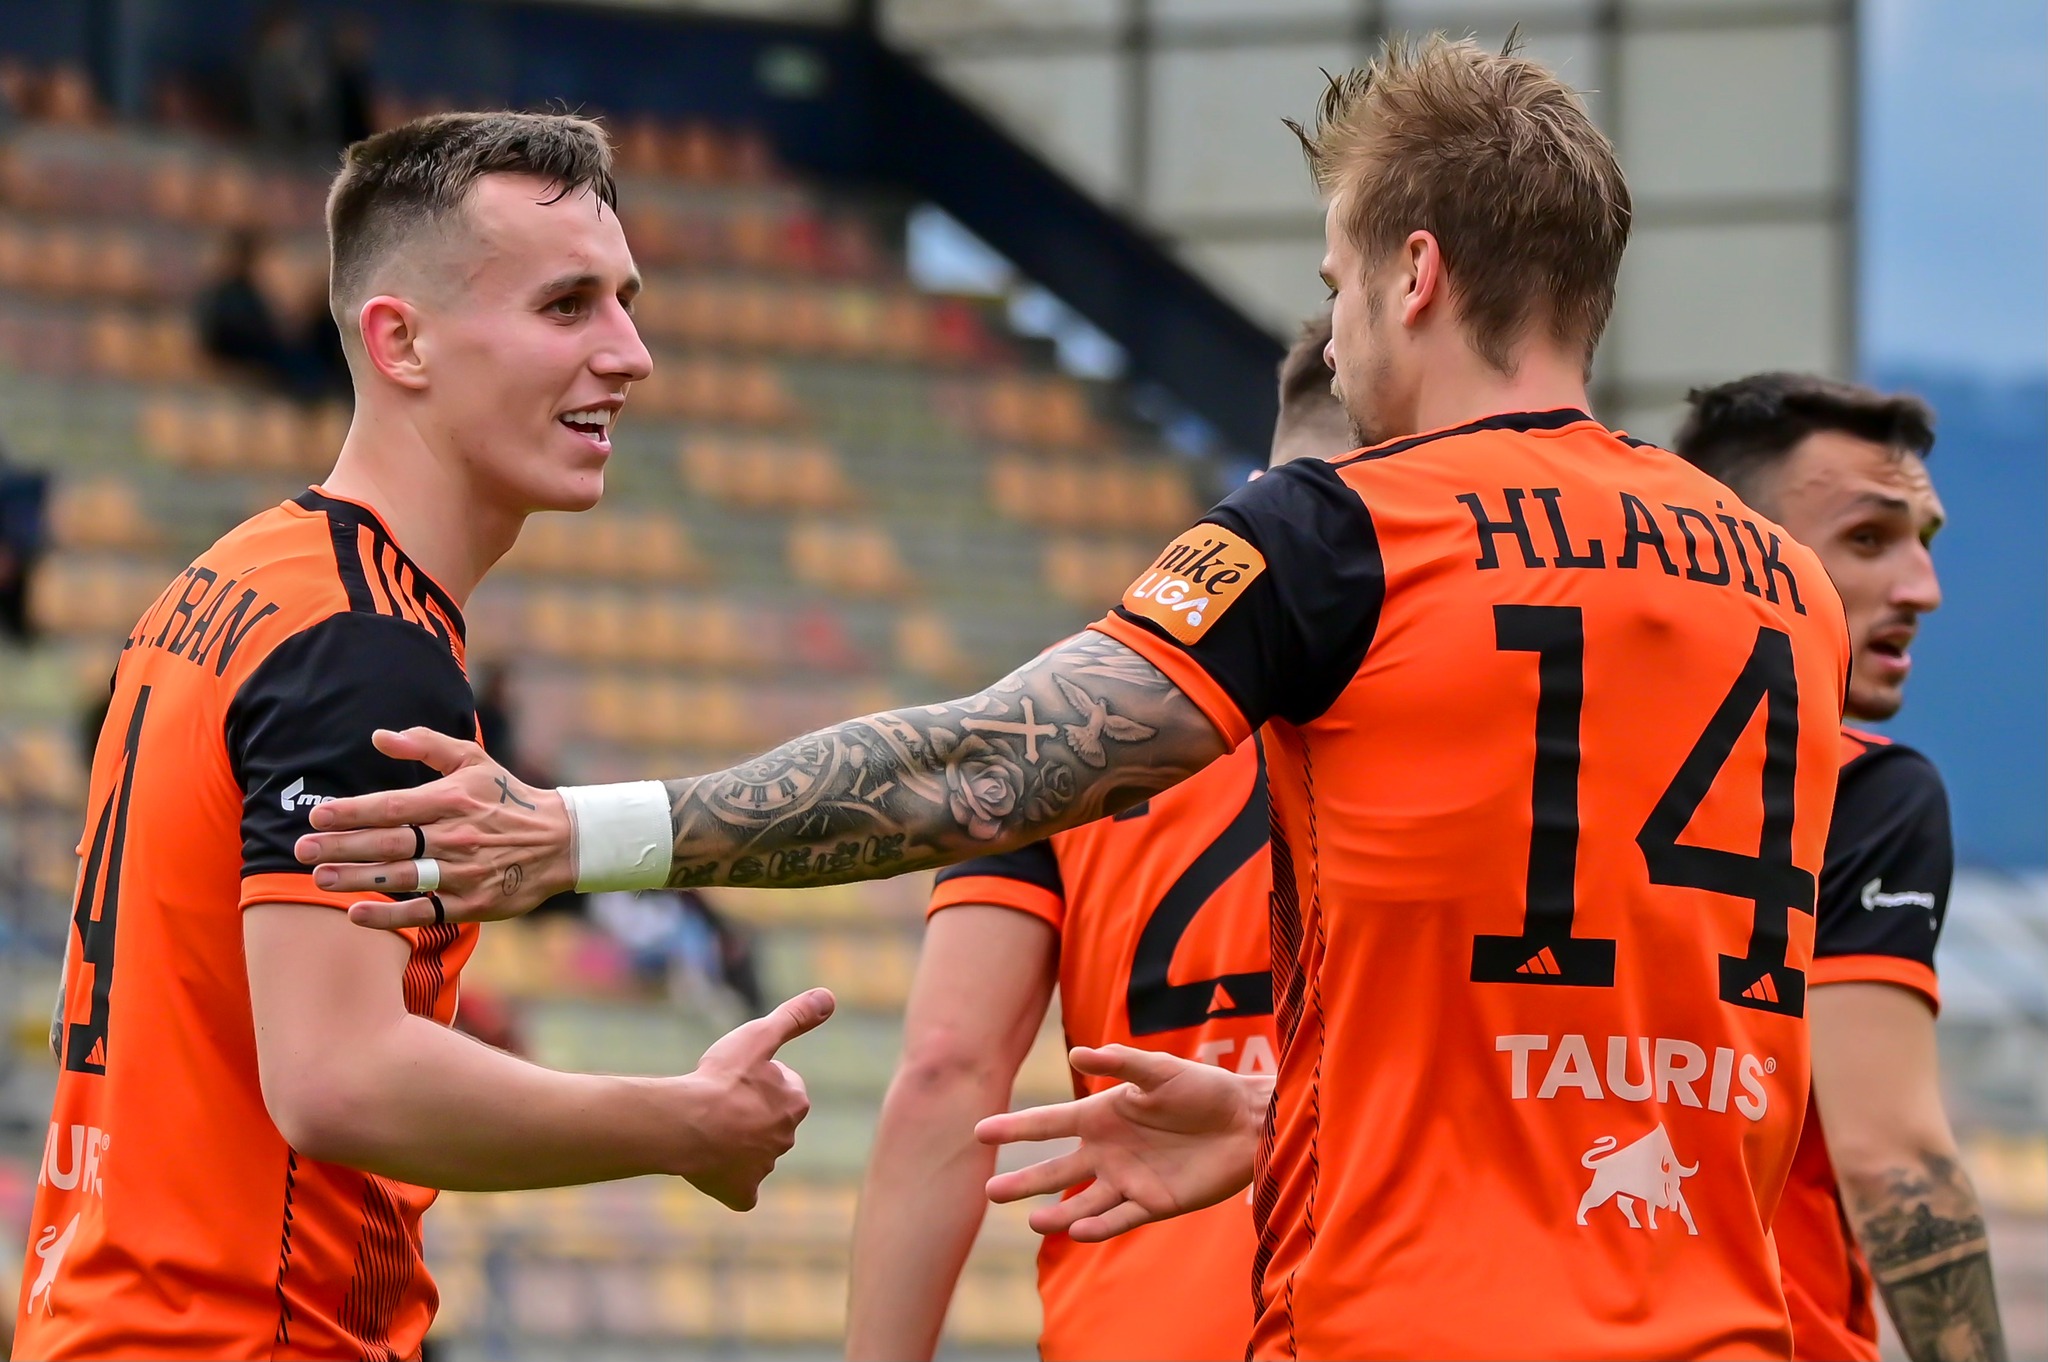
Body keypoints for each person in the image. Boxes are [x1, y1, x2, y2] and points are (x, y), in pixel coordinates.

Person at [296, 40, 1851, 1358]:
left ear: (1416, 274)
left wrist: (587, 833)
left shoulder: (1345, 532)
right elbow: (1578, 1020)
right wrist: (1280, 1113)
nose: (1337, 330)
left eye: (1337, 282)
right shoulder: (1785, 587)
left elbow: (985, 765)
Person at [14, 112, 829, 1360]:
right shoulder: (363, 646)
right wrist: (684, 1120)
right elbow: (338, 1077)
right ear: (401, 340)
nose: (630, 354)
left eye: (625, 303)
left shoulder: (234, 580)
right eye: (567, 306)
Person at [846, 315, 1351, 1362]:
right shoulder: (1505, 710)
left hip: (1133, 1323)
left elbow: (947, 1069)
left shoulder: (1072, 717)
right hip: (1395, 1310)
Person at [1675, 374, 2007, 1362]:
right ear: (1730, 551)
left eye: (1923, 541)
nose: (1922, 588)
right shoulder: (1862, 788)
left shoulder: (1547, 774)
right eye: (1868, 539)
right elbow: (1890, 1156)